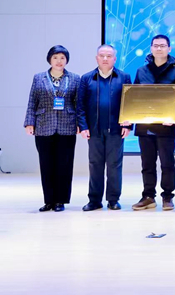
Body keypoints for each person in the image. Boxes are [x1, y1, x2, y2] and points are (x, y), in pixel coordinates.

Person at [131, 35, 175, 211]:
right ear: (151, 48)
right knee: (147, 164)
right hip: (144, 126)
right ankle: (148, 196)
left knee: (167, 163)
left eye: (162, 46)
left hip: (167, 126)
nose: (159, 49)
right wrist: (131, 115)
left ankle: (168, 196)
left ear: (169, 49)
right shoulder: (141, 71)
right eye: (155, 45)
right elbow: (134, 96)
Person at [24, 45, 81, 212]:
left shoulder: (75, 78)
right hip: (43, 125)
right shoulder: (39, 78)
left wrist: (80, 123)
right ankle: (49, 200)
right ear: (49, 59)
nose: (59, 61)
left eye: (62, 58)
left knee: (64, 165)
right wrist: (29, 122)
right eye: (55, 57)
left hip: (67, 126)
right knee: (46, 164)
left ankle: (60, 201)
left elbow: (79, 103)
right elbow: (32, 101)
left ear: (67, 60)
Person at [76, 44, 132, 211]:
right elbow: (80, 105)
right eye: (102, 55)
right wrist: (83, 126)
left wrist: (129, 125)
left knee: (115, 165)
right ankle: (94, 200)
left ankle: (113, 199)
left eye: (109, 56)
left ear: (115, 58)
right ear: (97, 58)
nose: (105, 59)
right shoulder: (87, 78)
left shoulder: (124, 77)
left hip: (116, 130)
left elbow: (130, 103)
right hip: (94, 130)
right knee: (95, 164)